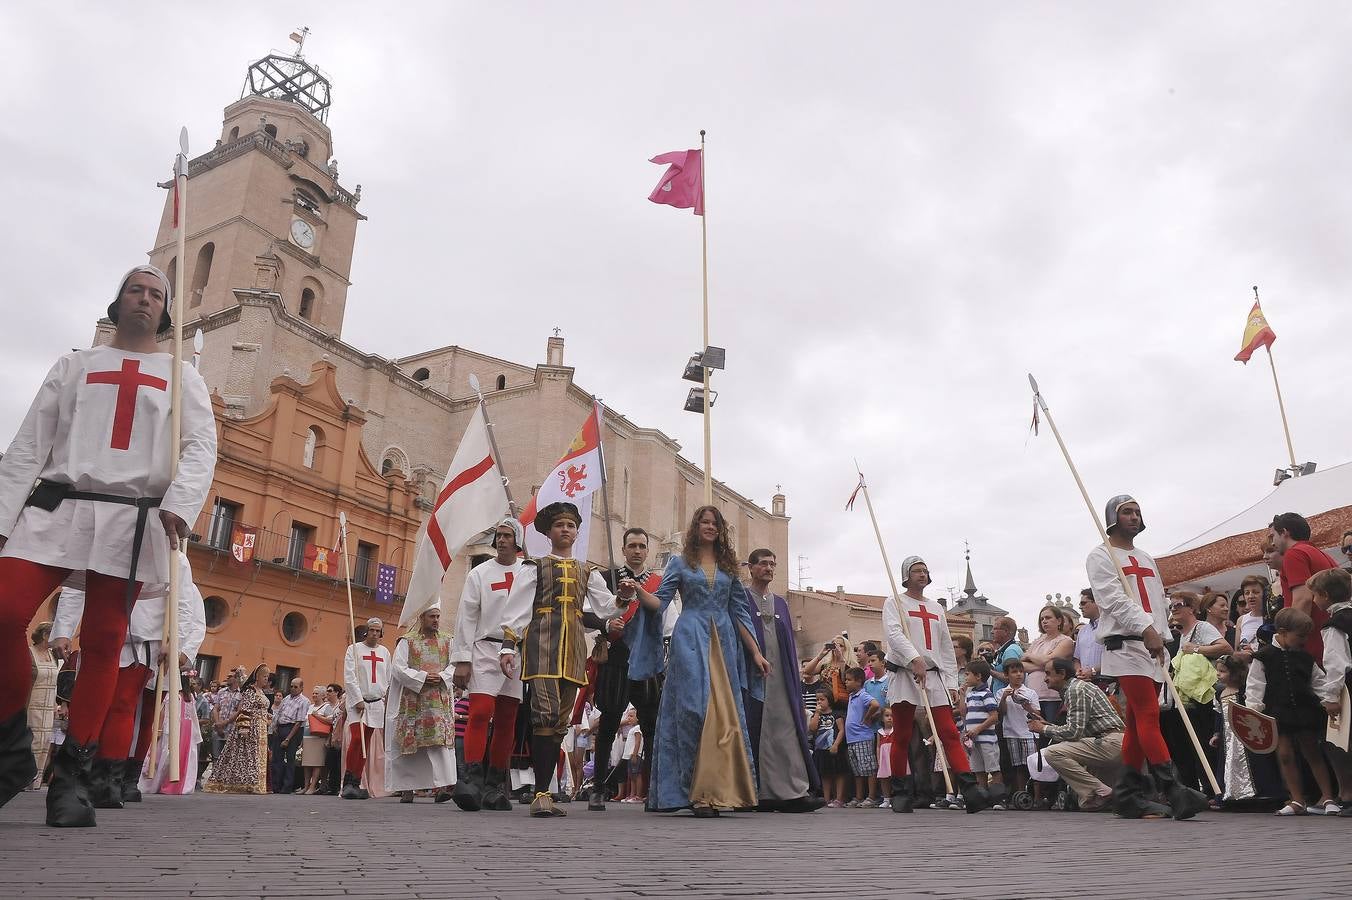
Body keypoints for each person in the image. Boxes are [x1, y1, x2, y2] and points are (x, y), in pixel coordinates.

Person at [0, 264, 217, 827]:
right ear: (117, 301)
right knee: (5, 610)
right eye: (135, 290)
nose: (144, 299)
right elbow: (28, 445)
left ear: (165, 311)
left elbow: (199, 446)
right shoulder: (74, 365)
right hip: (59, 503)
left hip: (132, 517)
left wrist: (182, 503)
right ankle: (10, 745)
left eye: (155, 294)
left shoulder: (180, 375)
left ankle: (71, 774)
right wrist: (3, 516)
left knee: (105, 640)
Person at [628, 505, 769, 817]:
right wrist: (639, 589)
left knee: (724, 717)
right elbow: (658, 604)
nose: (710, 527)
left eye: (714, 523)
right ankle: (691, 790)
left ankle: (715, 793)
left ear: (720, 529)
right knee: (694, 709)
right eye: (704, 522)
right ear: (696, 527)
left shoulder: (729, 567)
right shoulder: (680, 562)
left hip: (724, 642)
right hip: (690, 637)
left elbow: (740, 613)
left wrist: (756, 652)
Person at [499, 501, 633, 818]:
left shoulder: (587, 571)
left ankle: (546, 791)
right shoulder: (534, 567)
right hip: (541, 648)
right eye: (560, 525)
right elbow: (517, 609)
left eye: (571, 526)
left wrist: (624, 597)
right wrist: (508, 646)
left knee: (560, 721)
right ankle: (541, 793)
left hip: (573, 650)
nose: (566, 530)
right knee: (543, 715)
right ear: (550, 532)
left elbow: (606, 608)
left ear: (576, 532)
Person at [50, 549, 206, 807]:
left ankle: (109, 782)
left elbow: (184, 599)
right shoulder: (106, 534)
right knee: (92, 704)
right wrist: (63, 628)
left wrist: (177, 642)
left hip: (141, 638)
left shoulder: (170, 550)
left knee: (123, 707)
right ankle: (80, 777)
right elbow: (80, 580)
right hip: (100, 631)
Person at [1086, 495, 1206, 820]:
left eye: (1137, 511)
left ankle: (1127, 793)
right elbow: (1112, 599)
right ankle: (1173, 789)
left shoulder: (1146, 558)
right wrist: (1146, 628)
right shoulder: (1100, 556)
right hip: (1127, 645)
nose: (1134, 516)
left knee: (1138, 724)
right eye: (1127, 511)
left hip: (1152, 644)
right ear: (1113, 517)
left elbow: (1155, 600)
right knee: (1148, 715)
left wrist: (1162, 634)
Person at [882, 556, 991, 814]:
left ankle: (970, 789)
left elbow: (944, 647)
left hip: (934, 677)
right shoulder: (894, 603)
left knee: (949, 732)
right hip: (906, 676)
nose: (922, 574)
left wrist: (952, 681)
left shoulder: (936, 608)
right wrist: (914, 658)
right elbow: (894, 634)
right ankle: (900, 791)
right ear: (906, 575)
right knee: (903, 735)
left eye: (925, 570)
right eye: (917, 571)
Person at [583, 526, 663, 812]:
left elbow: (666, 618)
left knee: (651, 723)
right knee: (608, 723)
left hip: (647, 657)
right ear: (624, 549)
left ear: (647, 549)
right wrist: (606, 624)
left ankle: (654, 789)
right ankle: (598, 789)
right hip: (616, 655)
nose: (638, 551)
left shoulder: (657, 582)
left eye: (642, 546)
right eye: (633, 546)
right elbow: (585, 613)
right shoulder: (605, 578)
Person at [450, 518, 528, 812]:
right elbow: (466, 616)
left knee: (508, 718)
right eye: (499, 535)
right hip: (485, 647)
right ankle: (470, 780)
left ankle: (495, 786)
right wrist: (462, 659)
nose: (502, 540)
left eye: (508, 535)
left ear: (517, 541)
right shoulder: (480, 573)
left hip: (517, 650)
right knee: (480, 711)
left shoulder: (528, 573)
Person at [741, 548, 822, 812]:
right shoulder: (740, 597)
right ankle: (755, 792)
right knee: (754, 731)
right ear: (750, 567)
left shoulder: (781, 604)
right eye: (763, 563)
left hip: (780, 678)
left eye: (772, 564)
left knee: (785, 730)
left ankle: (792, 791)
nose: (769, 568)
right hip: (750, 676)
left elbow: (789, 645)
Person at [1247, 608, 1337, 815]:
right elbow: (1255, 684)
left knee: (1312, 752)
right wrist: (1254, 710)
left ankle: (1328, 797)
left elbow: (1319, 682)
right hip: (1278, 712)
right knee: (1285, 755)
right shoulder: (1263, 656)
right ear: (1283, 632)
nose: (1304, 640)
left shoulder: (1305, 658)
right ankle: (1296, 800)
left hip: (1305, 710)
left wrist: (1327, 700)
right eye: (1301, 636)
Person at [1033, 657, 1125, 812]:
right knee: (1088, 804)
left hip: (1111, 743)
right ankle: (1103, 794)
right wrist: (1048, 726)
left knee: (1053, 753)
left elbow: (1074, 732)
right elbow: (1079, 729)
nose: (1045, 679)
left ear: (1062, 674)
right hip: (1108, 742)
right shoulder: (1076, 688)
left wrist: (1043, 730)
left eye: (1048, 674)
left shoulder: (1075, 689)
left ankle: (1102, 791)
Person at [385, 605, 457, 803]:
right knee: (410, 744)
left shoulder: (448, 640)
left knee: (439, 744)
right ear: (422, 617)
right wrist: (422, 677)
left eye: (438, 616)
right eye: (432, 616)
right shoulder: (407, 641)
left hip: (438, 702)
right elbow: (398, 668)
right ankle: (406, 788)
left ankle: (442, 786)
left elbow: (455, 663)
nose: (436, 620)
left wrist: (442, 676)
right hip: (413, 702)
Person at [1162, 591, 1230, 799]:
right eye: (1171, 606)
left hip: (1204, 694)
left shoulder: (1202, 627)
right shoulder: (1180, 635)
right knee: (1186, 744)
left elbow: (1225, 647)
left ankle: (1211, 790)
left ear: (1192, 608)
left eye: (1177, 605)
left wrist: (1196, 649)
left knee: (1203, 740)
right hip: (1187, 697)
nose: (1173, 609)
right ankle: (1195, 789)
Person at [1309, 569, 1352, 815]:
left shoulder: (1334, 625)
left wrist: (1331, 697)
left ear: (1324, 595)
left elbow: (1337, 663)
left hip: (1348, 689)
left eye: (1314, 595)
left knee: (1340, 743)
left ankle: (1347, 794)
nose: (1314, 600)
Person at [1269, 512, 1337, 660]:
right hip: (1332, 640)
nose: (1272, 543)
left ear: (1285, 532)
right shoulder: (1321, 554)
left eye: (1273, 536)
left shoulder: (1294, 554)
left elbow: (1303, 599)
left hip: (1313, 644)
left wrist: (1288, 644)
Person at [341, 617, 391, 800]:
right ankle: (347, 783)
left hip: (376, 702)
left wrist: (384, 697)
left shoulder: (385, 652)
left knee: (366, 744)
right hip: (358, 704)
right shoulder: (354, 649)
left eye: (378, 631)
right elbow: (350, 676)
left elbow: (388, 677)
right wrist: (357, 699)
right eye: (372, 630)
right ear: (366, 631)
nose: (375, 634)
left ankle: (357, 782)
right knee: (356, 739)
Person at [204, 664, 271, 794]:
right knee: (248, 756)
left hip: (261, 728)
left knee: (256, 757)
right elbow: (245, 709)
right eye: (264, 676)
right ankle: (247, 784)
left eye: (267, 677)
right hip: (251, 727)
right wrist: (244, 727)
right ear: (257, 677)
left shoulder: (261, 692)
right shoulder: (250, 690)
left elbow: (260, 709)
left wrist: (268, 717)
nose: (266, 679)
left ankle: (254, 783)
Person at [994, 659, 1039, 803]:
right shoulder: (1001, 692)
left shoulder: (1030, 692)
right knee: (1018, 766)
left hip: (1028, 733)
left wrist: (1027, 707)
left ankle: (1037, 796)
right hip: (1011, 733)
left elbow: (1037, 714)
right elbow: (1001, 713)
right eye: (1014, 672)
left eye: (1021, 671)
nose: (1019, 675)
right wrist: (1004, 698)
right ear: (1007, 675)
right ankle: (1021, 794)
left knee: (1032, 766)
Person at [1022, 606, 1075, 721]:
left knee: (1051, 730)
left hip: (1054, 697)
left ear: (1059, 620)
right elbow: (1023, 665)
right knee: (1036, 733)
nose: (1044, 621)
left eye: (1048, 617)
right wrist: (1044, 661)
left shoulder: (1065, 641)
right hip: (1034, 696)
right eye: (1042, 619)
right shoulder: (1037, 641)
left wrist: (1030, 656)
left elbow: (1048, 661)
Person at [841, 667, 881, 807]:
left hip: (862, 736)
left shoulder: (862, 695)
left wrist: (867, 717)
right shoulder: (852, 695)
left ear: (859, 681)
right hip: (852, 738)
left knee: (868, 768)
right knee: (857, 770)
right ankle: (858, 797)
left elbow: (875, 704)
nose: (846, 682)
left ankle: (871, 796)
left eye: (849, 680)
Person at [27, 623, 60, 791]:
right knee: (32, 741)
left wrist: (55, 704)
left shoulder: (52, 655)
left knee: (45, 742)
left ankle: (37, 781)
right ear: (45, 636)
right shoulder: (29, 654)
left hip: (48, 705)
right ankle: (25, 778)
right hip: (32, 703)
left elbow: (55, 683)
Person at [272, 676, 310, 794]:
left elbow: (299, 721)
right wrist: (275, 727)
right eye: (291, 686)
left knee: (290, 759)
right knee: (276, 759)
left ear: (301, 688)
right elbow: (279, 713)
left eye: (296, 687)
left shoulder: (304, 701)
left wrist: (288, 738)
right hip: (280, 728)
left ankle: (287, 786)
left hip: (292, 729)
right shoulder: (287, 698)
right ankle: (276, 786)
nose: (293, 689)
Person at [301, 685, 335, 794]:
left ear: (322, 695)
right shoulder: (310, 707)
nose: (314, 695)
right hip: (307, 737)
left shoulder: (326, 707)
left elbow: (331, 721)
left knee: (316, 763)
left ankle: (313, 786)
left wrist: (317, 716)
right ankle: (306, 786)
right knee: (306, 763)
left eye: (317, 693)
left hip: (319, 738)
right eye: (313, 693)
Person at [1074, 589, 1107, 686]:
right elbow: (1076, 659)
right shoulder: (1082, 631)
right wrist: (1079, 671)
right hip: (1084, 683)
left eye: (1083, 603)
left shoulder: (1110, 627)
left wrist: (1092, 671)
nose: (1080, 607)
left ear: (1096, 602)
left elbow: (1114, 657)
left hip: (1106, 682)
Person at [988, 617, 1023, 693]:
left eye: (995, 629)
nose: (991, 632)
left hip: (1009, 700)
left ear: (1006, 631)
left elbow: (1013, 678)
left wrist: (989, 670)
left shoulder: (1011, 651)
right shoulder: (1005, 649)